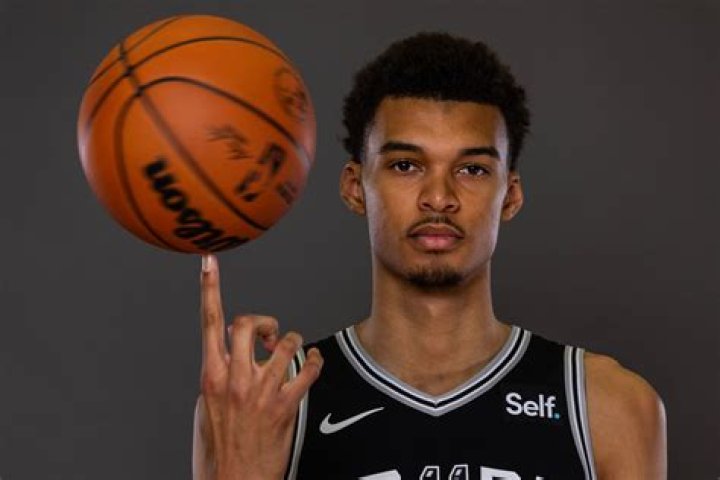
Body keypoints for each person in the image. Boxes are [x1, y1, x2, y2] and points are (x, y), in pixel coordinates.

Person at [192, 33, 667, 480]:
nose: (439, 198)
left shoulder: (606, 405)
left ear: (510, 196)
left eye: (472, 169)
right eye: (406, 165)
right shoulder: (263, 404)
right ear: (355, 188)